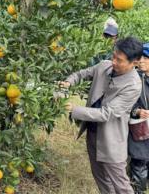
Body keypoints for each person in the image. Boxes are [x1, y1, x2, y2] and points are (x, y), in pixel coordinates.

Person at [60, 36, 143, 194]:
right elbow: (81, 74)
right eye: (114, 56)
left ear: (135, 62)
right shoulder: (104, 66)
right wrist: (68, 82)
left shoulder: (133, 85)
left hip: (111, 141)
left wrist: (74, 109)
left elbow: (107, 113)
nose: (114, 62)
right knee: (100, 178)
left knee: (121, 185)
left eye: (119, 60)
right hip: (92, 133)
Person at [128, 43, 149, 194]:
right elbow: (123, 103)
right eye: (139, 57)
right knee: (139, 165)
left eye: (145, 58)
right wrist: (136, 111)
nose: (140, 61)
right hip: (140, 130)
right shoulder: (133, 78)